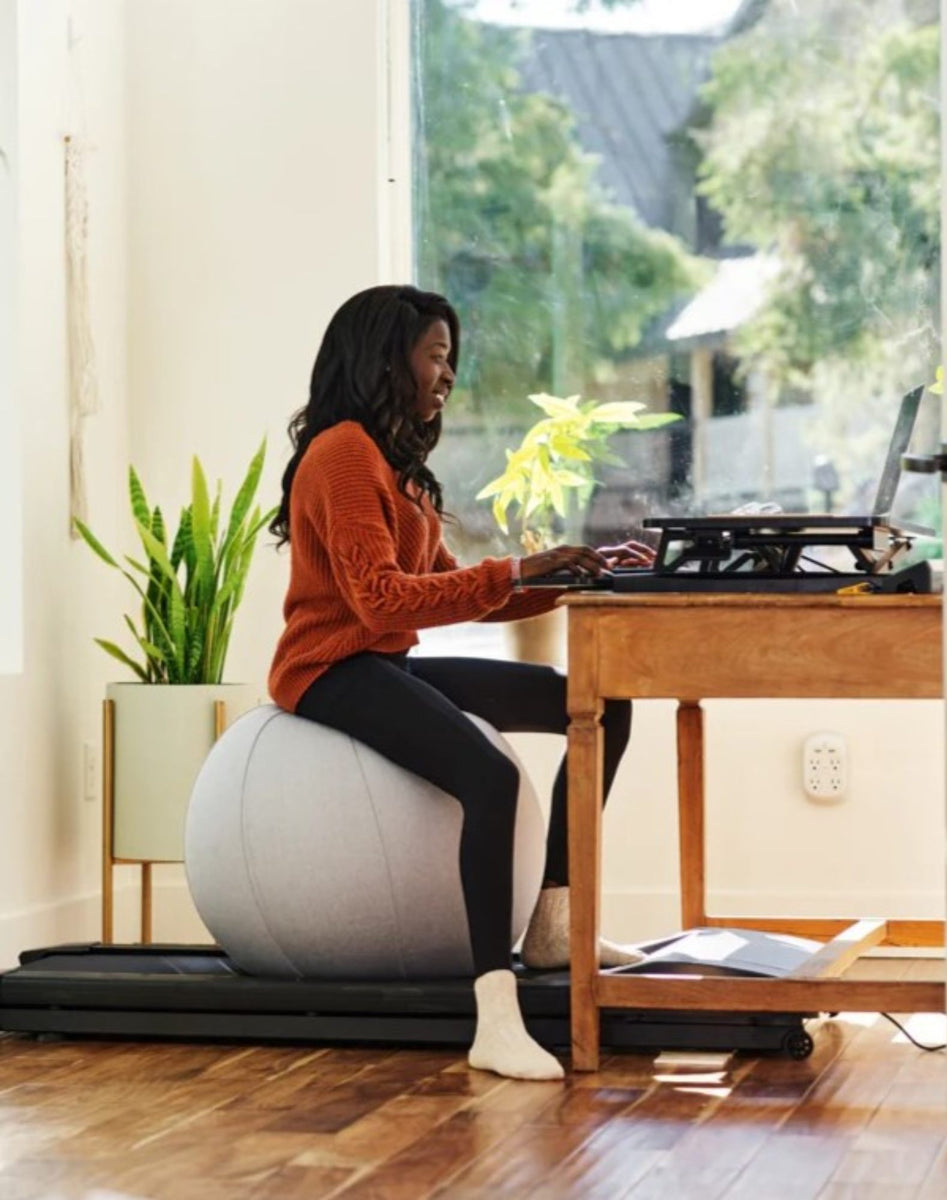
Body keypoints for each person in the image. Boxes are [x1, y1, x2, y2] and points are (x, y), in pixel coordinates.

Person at [267, 284, 651, 1081]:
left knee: (599, 704)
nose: (448, 375)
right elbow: (380, 600)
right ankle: (495, 1013)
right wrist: (517, 567)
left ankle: (553, 922)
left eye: (452, 359)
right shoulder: (341, 453)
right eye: (437, 355)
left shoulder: (391, 466)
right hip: (328, 671)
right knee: (489, 775)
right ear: (386, 357)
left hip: (383, 658)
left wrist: (584, 577)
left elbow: (442, 589)